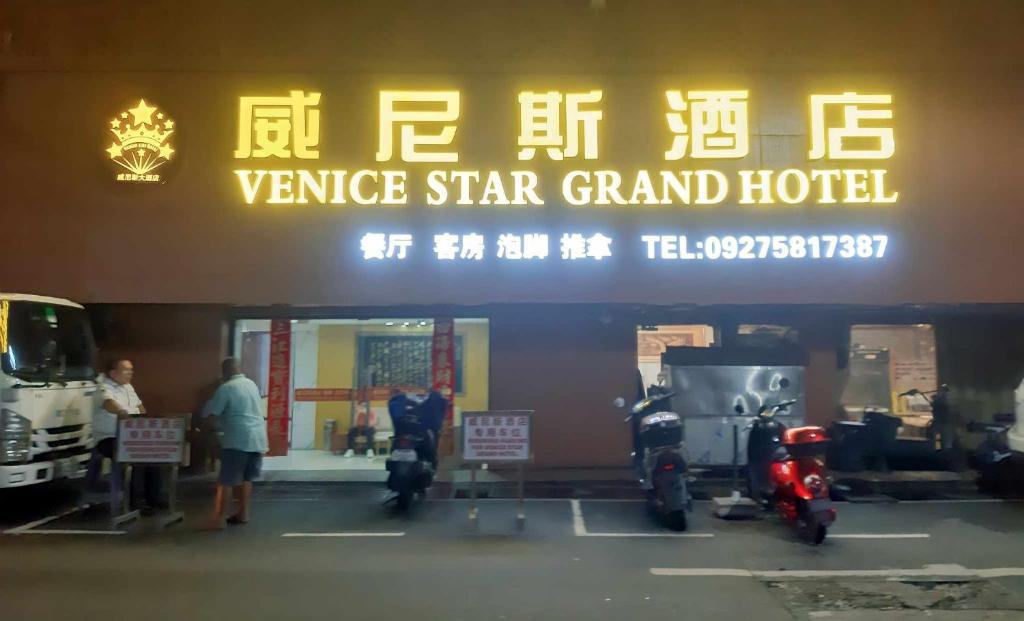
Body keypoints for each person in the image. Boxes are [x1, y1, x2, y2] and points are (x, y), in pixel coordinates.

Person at [86, 359, 162, 514]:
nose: (130, 373)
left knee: (155, 453)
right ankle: (135, 502)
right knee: (137, 456)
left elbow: (141, 409)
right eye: (126, 370)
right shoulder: (103, 388)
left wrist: (130, 411)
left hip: (130, 437)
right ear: (113, 373)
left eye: (131, 369)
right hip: (108, 439)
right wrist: (122, 411)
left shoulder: (128, 387)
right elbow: (109, 404)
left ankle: (154, 499)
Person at [203, 358, 268, 530]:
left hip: (237, 439)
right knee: (246, 479)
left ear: (225, 371)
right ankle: (243, 513)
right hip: (257, 438)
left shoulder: (226, 388)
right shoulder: (251, 384)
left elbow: (212, 415)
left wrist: (208, 432)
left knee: (227, 480)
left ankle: (219, 519)